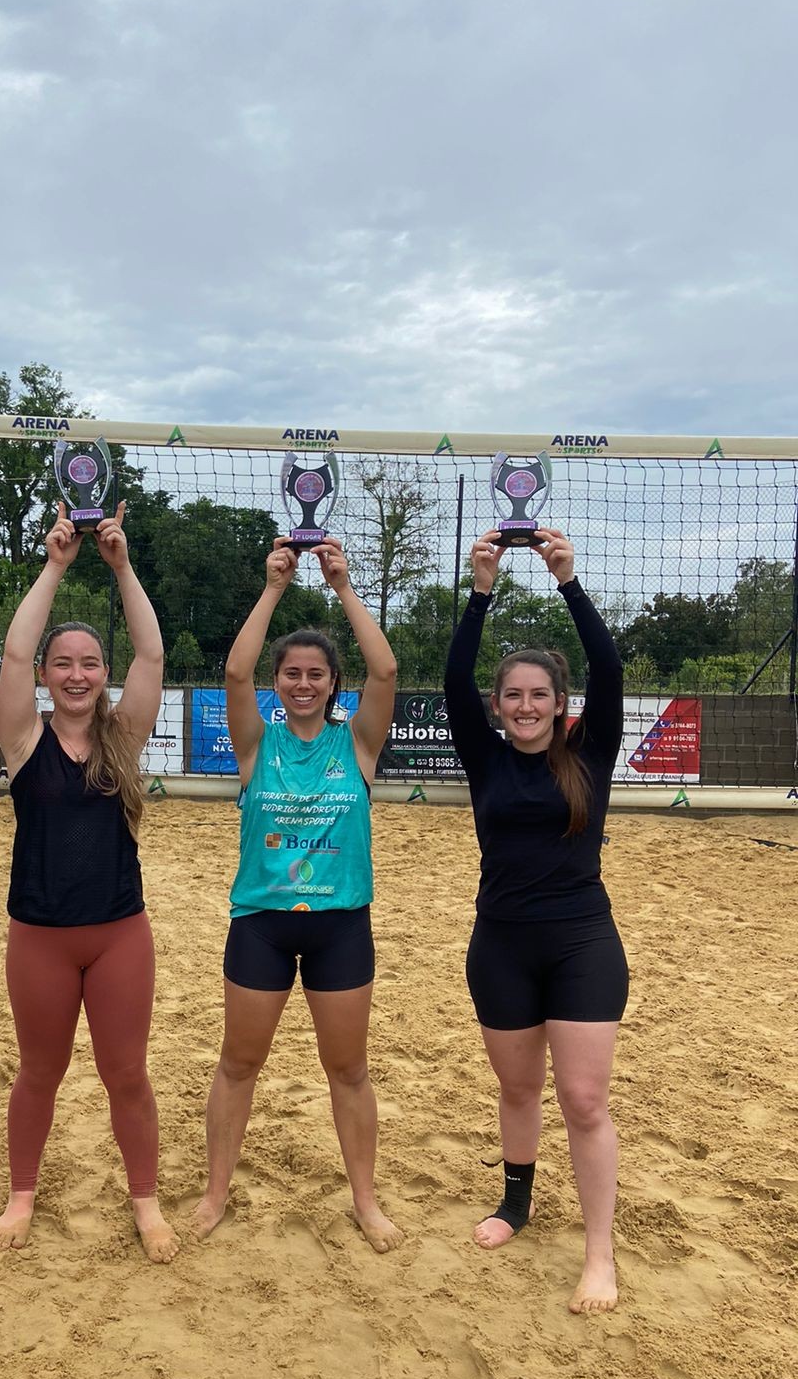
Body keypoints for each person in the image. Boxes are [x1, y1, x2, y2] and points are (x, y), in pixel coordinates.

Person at [193, 537, 400, 1253]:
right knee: (238, 1064)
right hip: (262, 924)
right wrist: (275, 586)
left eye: (316, 674)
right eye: (292, 674)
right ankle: (217, 1191)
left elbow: (387, 668)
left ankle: (365, 1201)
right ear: (278, 683)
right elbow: (235, 668)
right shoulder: (256, 744)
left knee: (348, 1069)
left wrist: (342, 586)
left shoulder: (358, 746)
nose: (303, 683)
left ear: (333, 685)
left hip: (341, 925)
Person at [0, 501, 179, 1264]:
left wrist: (122, 566)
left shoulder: (122, 738)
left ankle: (146, 1202)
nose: (75, 673)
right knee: (40, 1072)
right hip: (38, 935)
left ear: (102, 676)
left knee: (126, 1075)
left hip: (117, 935)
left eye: (88, 664)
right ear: (46, 675)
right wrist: (57, 564)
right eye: (62, 663)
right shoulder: (22, 736)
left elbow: (153, 657)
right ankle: (21, 1194)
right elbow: (9, 654)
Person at [444, 527, 626, 1314]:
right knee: (518, 1090)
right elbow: (454, 676)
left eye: (538, 695)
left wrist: (568, 583)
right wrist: (480, 591)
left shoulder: (589, 755)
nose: (524, 706)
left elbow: (610, 669)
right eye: (511, 696)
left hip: (583, 941)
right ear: (498, 706)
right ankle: (516, 1203)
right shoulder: (485, 757)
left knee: (583, 1101)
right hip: (501, 945)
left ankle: (599, 1253)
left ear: (560, 705)